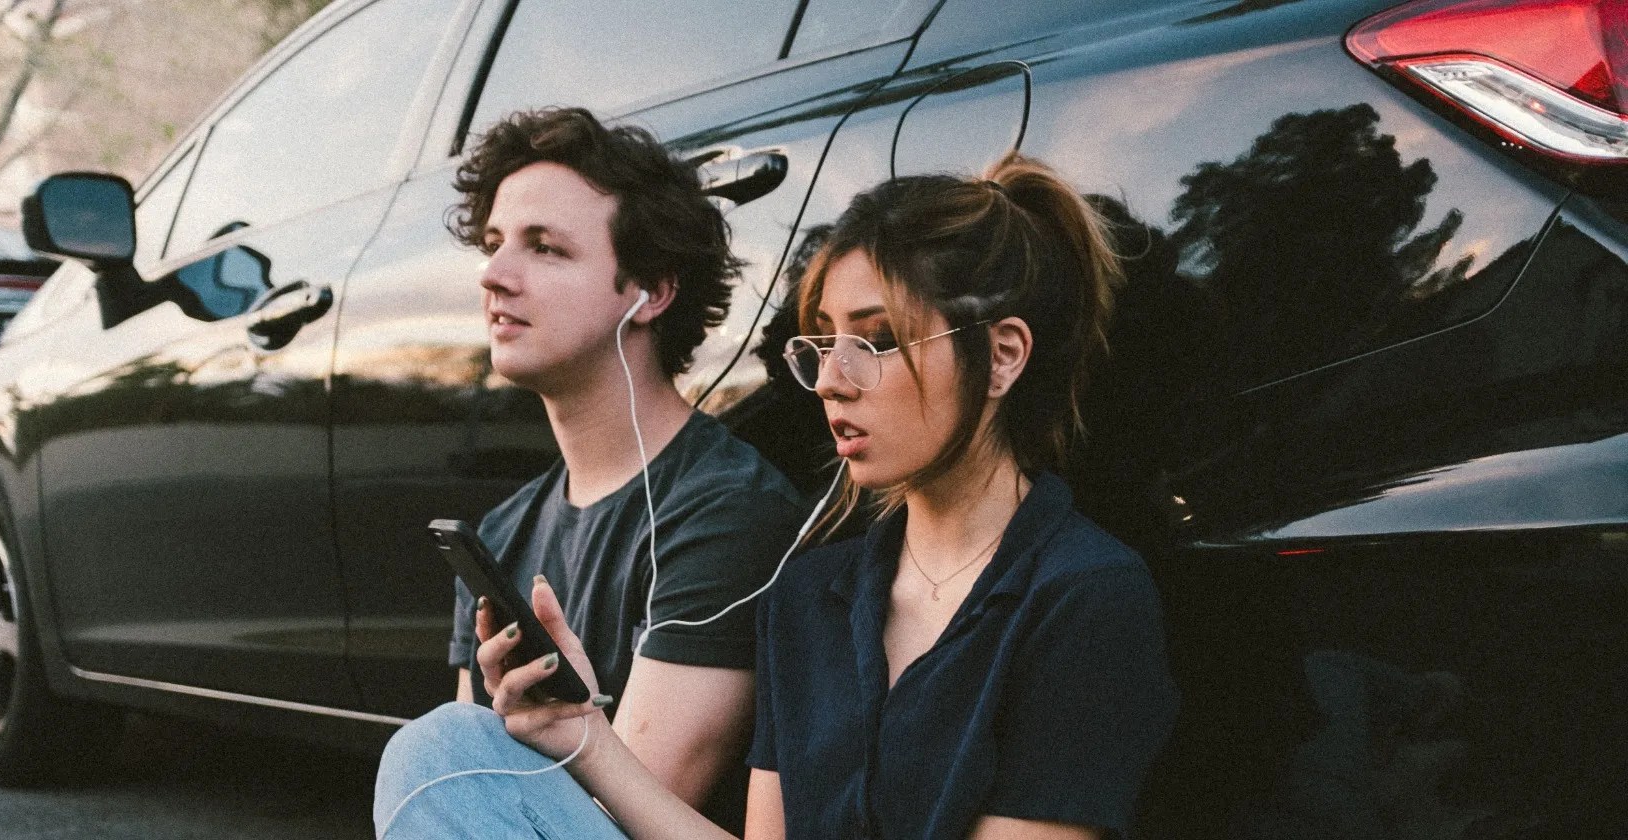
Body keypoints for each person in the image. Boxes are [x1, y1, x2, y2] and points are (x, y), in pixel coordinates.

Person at [375, 151, 1179, 840]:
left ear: (1002, 357)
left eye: (878, 340)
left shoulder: (1085, 596)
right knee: (443, 748)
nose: (832, 379)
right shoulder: (811, 593)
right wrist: (582, 735)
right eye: (824, 341)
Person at [412, 107, 807, 834]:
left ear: (651, 292)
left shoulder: (725, 511)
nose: (494, 275)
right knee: (442, 745)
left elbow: (636, 810)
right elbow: (473, 791)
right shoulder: (501, 531)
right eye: (494, 244)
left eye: (546, 248)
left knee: (429, 748)